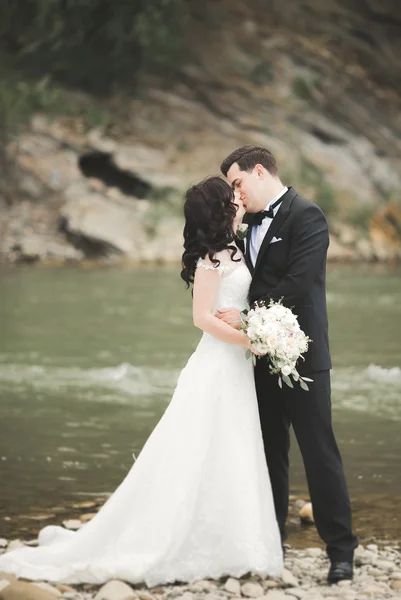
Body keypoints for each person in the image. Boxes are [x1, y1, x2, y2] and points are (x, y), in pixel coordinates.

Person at [0, 177, 283, 586]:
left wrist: (257, 327)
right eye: (231, 196)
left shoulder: (238, 248)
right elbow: (202, 318)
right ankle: (183, 541)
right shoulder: (211, 259)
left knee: (234, 445)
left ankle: (236, 543)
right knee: (197, 448)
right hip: (217, 363)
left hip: (236, 364)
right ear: (221, 210)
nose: (239, 198)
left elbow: (243, 300)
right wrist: (247, 340)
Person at [217, 146, 358, 585]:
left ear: (260, 172)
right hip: (257, 359)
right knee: (270, 455)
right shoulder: (242, 226)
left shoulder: (308, 215)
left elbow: (300, 282)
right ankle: (271, 545)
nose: (235, 196)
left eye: (238, 184)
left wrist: (248, 316)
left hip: (304, 356)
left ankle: (341, 552)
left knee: (320, 453)